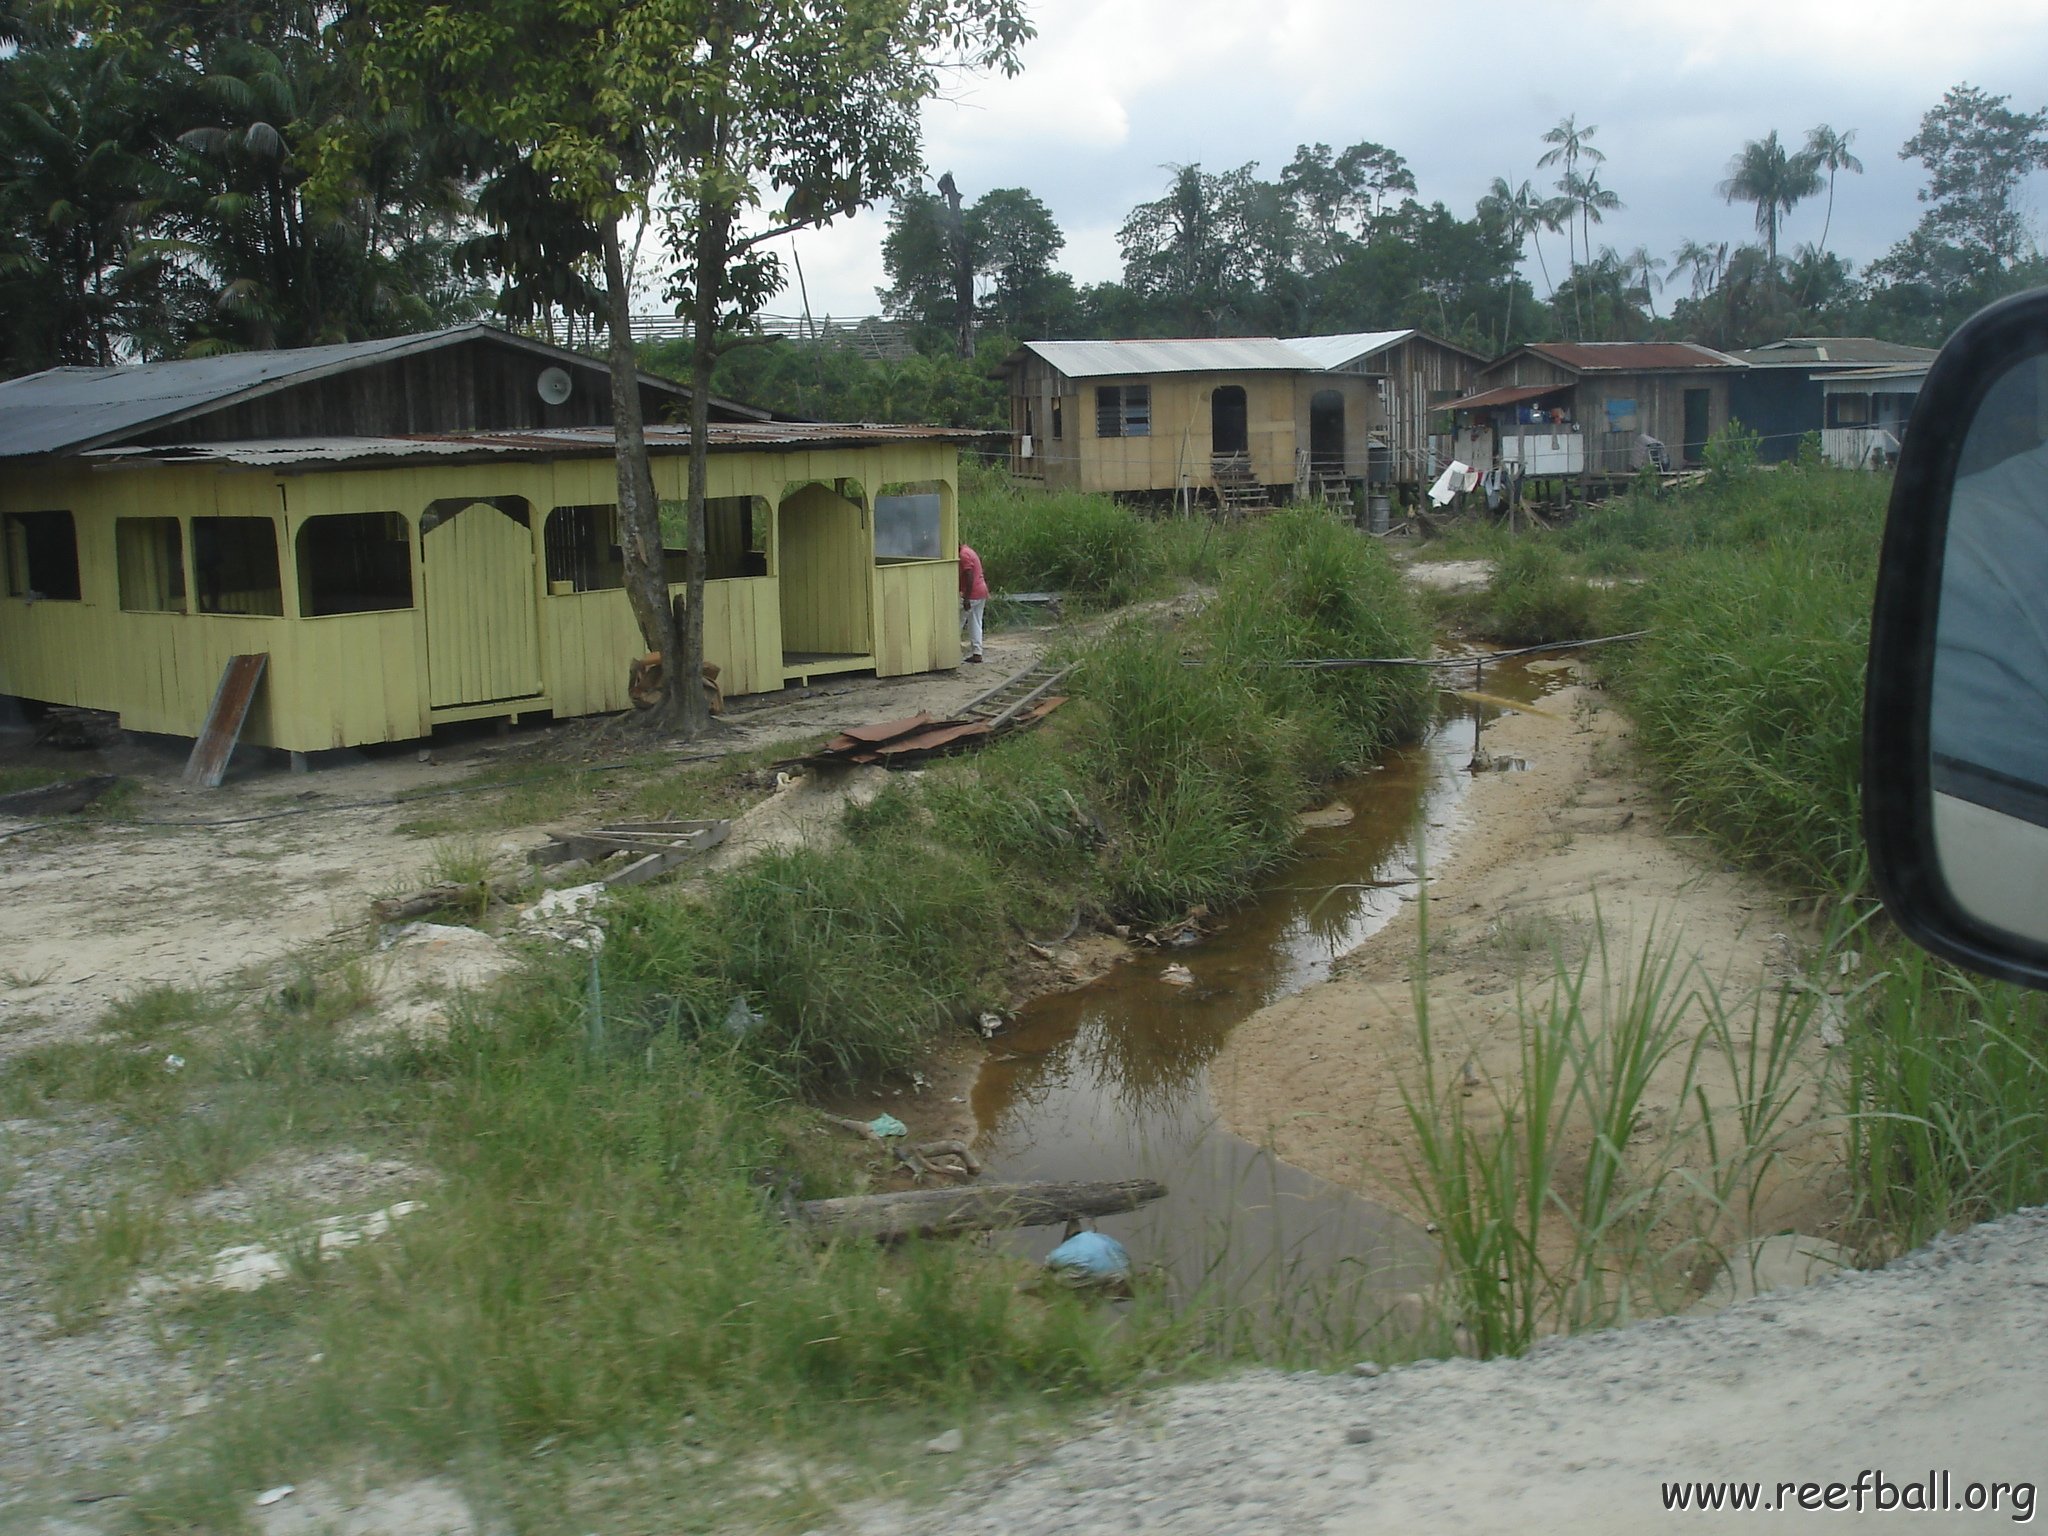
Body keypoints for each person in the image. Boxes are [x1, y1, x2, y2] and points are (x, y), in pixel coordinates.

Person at [958, 541, 988, 664]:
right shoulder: (968, 550)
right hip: (981, 590)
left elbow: (969, 576)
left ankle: (951, 653)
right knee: (975, 622)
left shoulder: (963, 555)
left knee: (955, 622)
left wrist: (966, 598)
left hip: (972, 593)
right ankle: (977, 653)